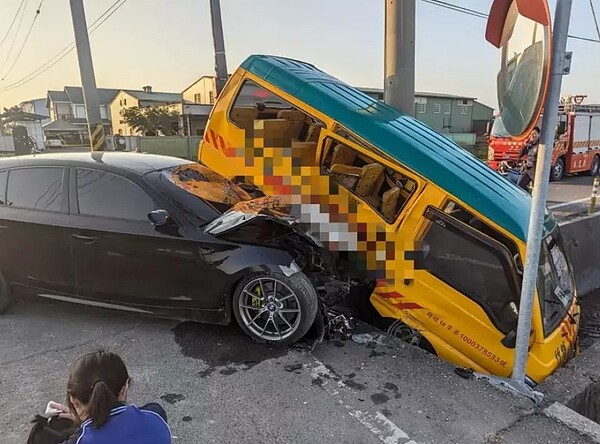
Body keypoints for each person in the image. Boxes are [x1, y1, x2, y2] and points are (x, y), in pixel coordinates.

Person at [32, 350, 172, 444]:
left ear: (74, 402)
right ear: (125, 388)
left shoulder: (79, 440)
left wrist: (80, 422)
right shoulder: (156, 417)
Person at [515, 126, 541, 191]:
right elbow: (520, 155)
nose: (532, 135)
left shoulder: (540, 145)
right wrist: (525, 145)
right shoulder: (528, 145)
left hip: (535, 171)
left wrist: (533, 163)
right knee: (519, 186)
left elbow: (542, 159)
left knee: (537, 190)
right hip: (527, 170)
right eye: (531, 134)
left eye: (534, 133)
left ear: (538, 134)